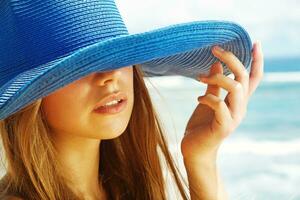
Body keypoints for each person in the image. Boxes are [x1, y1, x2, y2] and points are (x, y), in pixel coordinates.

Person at [0, 0, 264, 199]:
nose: (110, 75)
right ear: (29, 99)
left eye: (119, 57)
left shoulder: (125, 190)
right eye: (77, 67)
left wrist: (201, 157)